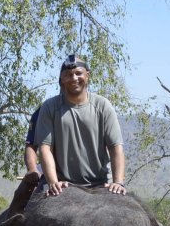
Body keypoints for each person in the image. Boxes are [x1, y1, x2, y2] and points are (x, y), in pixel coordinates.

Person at [34, 54, 127, 196]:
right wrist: (53, 182)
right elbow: (45, 148)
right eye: (68, 75)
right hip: (62, 183)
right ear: (62, 80)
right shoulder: (49, 107)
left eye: (78, 73)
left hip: (99, 182)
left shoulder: (103, 106)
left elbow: (116, 148)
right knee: (24, 211)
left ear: (87, 75)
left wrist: (118, 182)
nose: (74, 78)